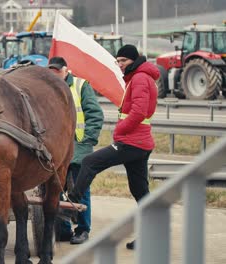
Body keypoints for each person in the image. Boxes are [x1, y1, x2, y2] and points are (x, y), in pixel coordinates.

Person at [67, 44, 159, 250]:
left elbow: (139, 111)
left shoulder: (140, 79)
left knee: (89, 162)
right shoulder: (139, 78)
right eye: (117, 61)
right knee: (140, 191)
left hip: (132, 142)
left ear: (134, 60)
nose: (120, 65)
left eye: (123, 61)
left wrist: (120, 131)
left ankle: (71, 203)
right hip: (139, 143)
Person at [48, 56, 104, 244]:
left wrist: (87, 141)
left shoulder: (81, 86)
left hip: (78, 148)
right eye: (51, 72)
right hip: (56, 150)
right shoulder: (47, 88)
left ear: (66, 70)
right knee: (58, 190)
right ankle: (64, 231)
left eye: (57, 72)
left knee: (80, 189)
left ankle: (82, 229)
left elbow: (95, 114)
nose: (54, 75)